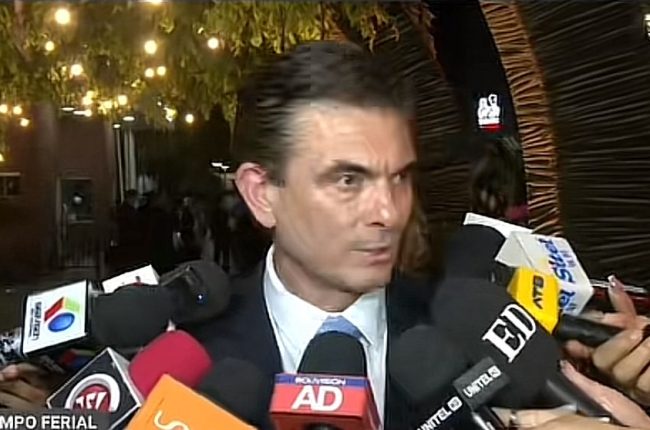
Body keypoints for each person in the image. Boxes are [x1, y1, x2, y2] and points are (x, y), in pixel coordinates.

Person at [0, 42, 644, 430]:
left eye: (400, 178)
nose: (388, 211)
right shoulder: (181, 368)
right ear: (262, 193)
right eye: (348, 180)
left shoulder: (482, 339)